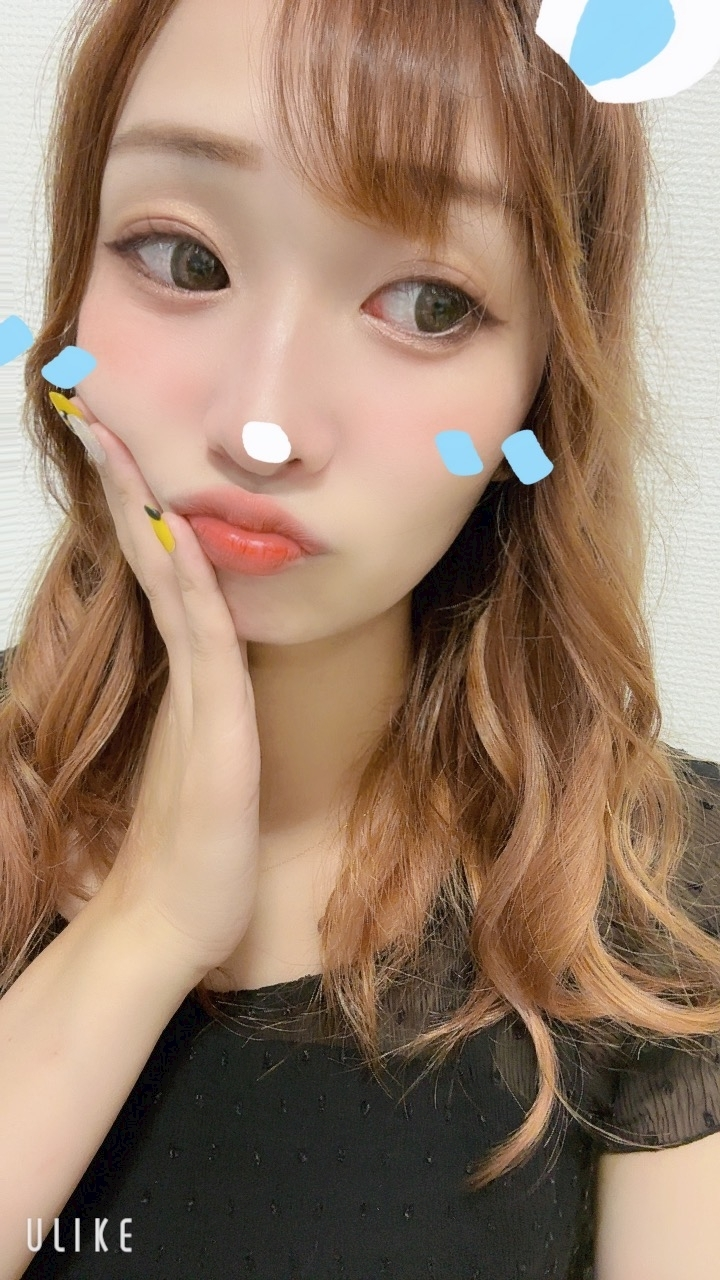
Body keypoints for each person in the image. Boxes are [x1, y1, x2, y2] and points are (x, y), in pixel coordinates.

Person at [0, 0, 719, 1276]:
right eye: (183, 260)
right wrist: (144, 928)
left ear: (542, 390)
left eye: (430, 303)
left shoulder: (661, 897)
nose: (264, 424)